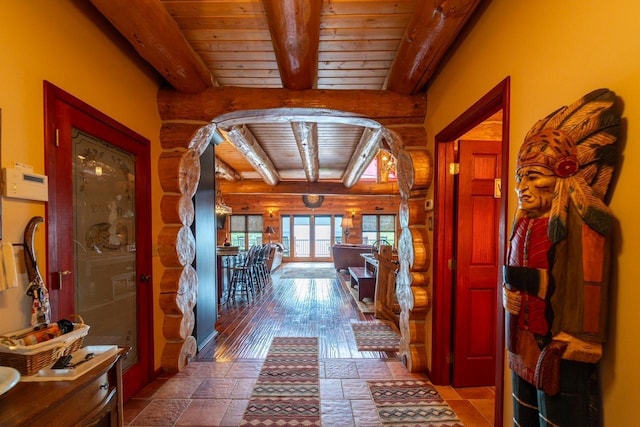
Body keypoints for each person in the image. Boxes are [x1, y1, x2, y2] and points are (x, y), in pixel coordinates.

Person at [502, 89, 621, 426]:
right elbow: (511, 269)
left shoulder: (579, 221)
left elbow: (584, 285)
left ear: (562, 176)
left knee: (558, 416)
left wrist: (575, 336)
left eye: (534, 176)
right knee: (521, 413)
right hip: (520, 336)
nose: (523, 187)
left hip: (556, 342)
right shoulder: (522, 222)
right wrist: (506, 292)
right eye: (520, 179)